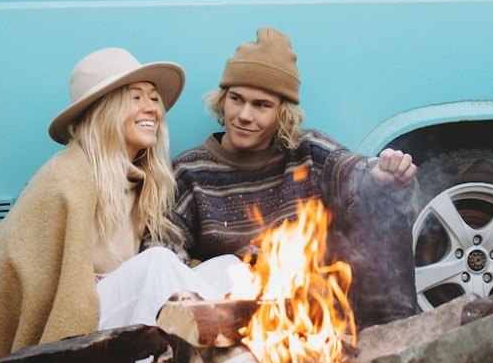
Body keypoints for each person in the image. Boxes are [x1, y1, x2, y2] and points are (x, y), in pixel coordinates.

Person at [0, 47, 242, 363]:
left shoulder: (138, 178)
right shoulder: (68, 177)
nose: (151, 107)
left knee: (229, 267)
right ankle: (239, 356)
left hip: (115, 312)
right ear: (104, 110)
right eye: (135, 97)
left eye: (153, 98)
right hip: (76, 327)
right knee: (156, 263)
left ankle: (254, 343)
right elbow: (39, 289)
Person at [170, 28, 420, 328]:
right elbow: (164, 252)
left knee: (380, 200)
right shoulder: (190, 170)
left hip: (314, 308)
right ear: (222, 101)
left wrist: (383, 176)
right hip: (232, 315)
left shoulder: (307, 152)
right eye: (236, 99)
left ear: (282, 113)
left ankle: (393, 333)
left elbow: (352, 170)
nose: (244, 115)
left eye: (261, 105)